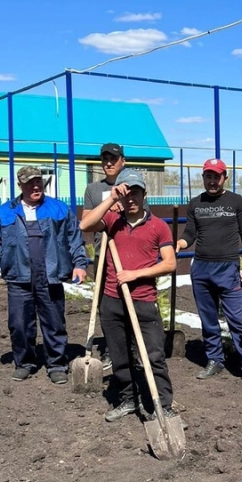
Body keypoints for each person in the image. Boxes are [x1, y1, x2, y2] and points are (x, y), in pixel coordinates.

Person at [79, 168, 181, 423]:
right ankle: (127, 399)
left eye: (135, 193)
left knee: (154, 356)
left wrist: (135, 274)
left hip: (144, 301)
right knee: (119, 356)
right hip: (112, 300)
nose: (131, 198)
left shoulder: (158, 226)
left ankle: (163, 406)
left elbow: (169, 264)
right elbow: (85, 224)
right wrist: (111, 199)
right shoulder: (113, 221)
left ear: (144, 195)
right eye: (126, 194)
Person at [0, 165, 87, 384]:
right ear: (20, 185)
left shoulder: (59, 209)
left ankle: (57, 364)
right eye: (30, 182)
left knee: (54, 323)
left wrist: (80, 264)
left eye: (38, 181)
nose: (36, 186)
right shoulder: (5, 212)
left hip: (49, 274)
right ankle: (25, 362)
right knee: (19, 324)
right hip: (18, 276)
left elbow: (74, 238)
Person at [176, 158, 242, 385]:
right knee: (208, 319)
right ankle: (215, 359)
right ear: (203, 178)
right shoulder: (195, 204)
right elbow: (190, 234)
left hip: (228, 268)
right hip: (201, 268)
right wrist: (179, 244)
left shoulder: (236, 202)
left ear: (225, 178)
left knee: (237, 319)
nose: (212, 181)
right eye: (208, 176)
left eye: (217, 176)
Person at [82, 143, 127, 373]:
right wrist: (108, 207)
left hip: (128, 254)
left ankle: (132, 348)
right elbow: (87, 220)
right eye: (105, 159)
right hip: (103, 255)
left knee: (130, 302)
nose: (108, 163)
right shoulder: (93, 189)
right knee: (106, 305)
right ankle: (111, 347)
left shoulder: (133, 185)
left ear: (123, 161)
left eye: (113, 159)